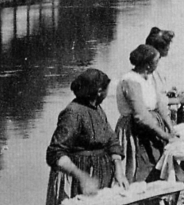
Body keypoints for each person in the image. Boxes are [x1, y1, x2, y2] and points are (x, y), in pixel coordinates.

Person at [45, 69, 128, 204]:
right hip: (77, 177)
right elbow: (55, 152)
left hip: (99, 173)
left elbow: (111, 139)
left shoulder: (97, 108)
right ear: (99, 91)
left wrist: (118, 169)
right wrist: (81, 177)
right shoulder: (73, 113)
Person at [115, 45, 176, 183]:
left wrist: (170, 128)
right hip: (137, 128)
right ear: (148, 65)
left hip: (152, 124)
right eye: (156, 61)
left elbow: (160, 103)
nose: (158, 63)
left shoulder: (150, 77)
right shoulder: (130, 81)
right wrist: (163, 134)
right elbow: (141, 115)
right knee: (141, 162)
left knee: (156, 159)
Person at [145, 27, 184, 112]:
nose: (169, 48)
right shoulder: (151, 69)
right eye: (167, 45)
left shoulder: (159, 64)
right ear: (159, 48)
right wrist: (178, 100)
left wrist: (172, 90)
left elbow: (161, 88)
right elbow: (153, 99)